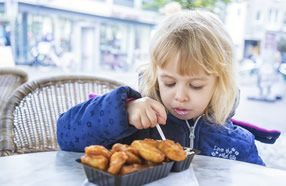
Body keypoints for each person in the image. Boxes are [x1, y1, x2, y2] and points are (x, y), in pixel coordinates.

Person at [57, 9, 280, 166]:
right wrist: (123, 113)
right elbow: (65, 136)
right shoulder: (136, 126)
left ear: (219, 85)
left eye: (196, 85)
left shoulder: (238, 143)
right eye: (169, 83)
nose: (180, 96)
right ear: (156, 76)